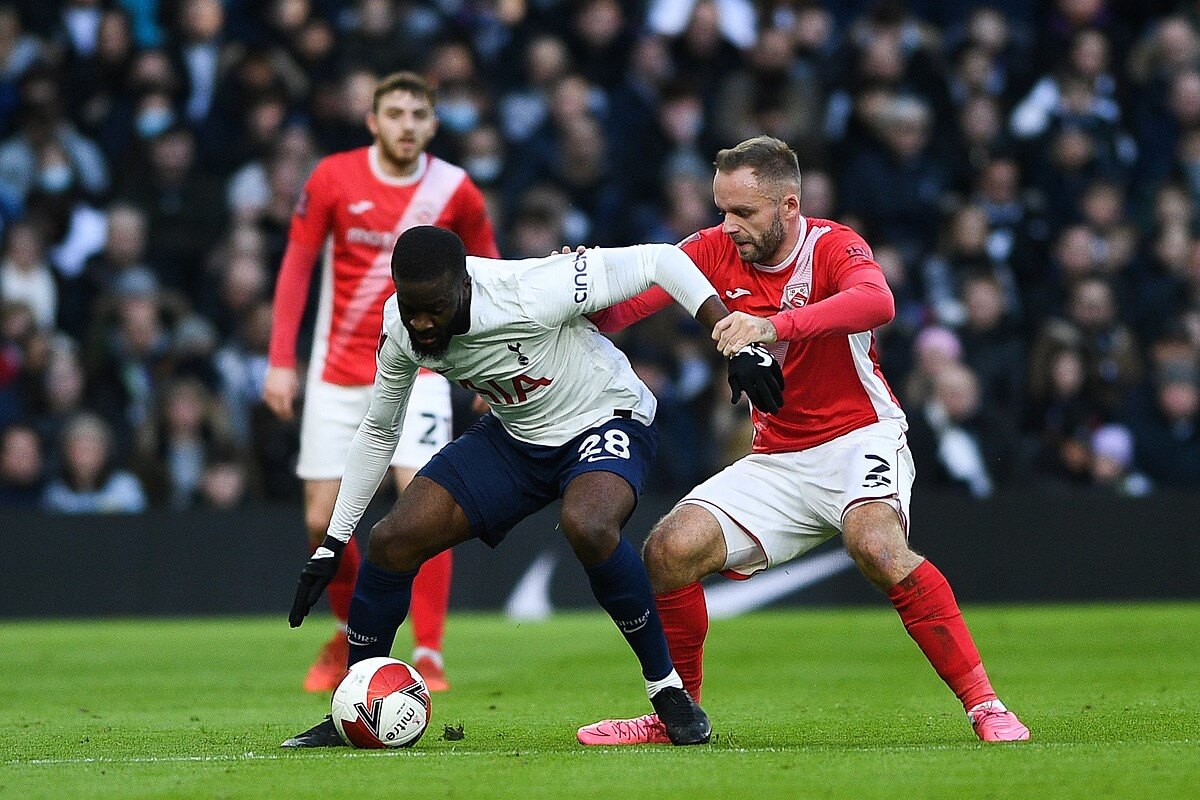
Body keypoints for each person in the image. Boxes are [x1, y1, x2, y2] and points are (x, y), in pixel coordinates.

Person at [578, 136, 1030, 745]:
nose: (727, 225)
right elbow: (622, 310)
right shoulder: (709, 250)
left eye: (744, 212)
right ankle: (675, 717)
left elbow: (878, 302)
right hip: (778, 459)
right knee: (668, 550)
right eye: (722, 209)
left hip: (859, 438)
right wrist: (573, 286)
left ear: (788, 206)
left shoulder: (833, 245)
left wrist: (771, 323)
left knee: (878, 548)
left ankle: (985, 705)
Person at [279, 225, 784, 747]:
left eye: (434, 307)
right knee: (391, 540)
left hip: (603, 416)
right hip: (516, 437)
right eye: (412, 307)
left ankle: (667, 690)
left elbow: (661, 260)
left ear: (464, 284)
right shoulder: (401, 328)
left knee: (587, 524)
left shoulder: (529, 289)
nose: (423, 323)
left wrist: (734, 338)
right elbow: (381, 428)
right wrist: (335, 542)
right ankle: (357, 706)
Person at [263, 72, 500, 693]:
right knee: (322, 520)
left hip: (420, 367)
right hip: (339, 370)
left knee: (423, 501)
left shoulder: (457, 190)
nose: (405, 124)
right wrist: (280, 359)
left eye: (417, 113)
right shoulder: (332, 178)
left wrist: (496, 361)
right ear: (372, 121)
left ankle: (428, 652)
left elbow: (492, 276)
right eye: (393, 112)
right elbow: (296, 267)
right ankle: (349, 635)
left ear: (432, 125)